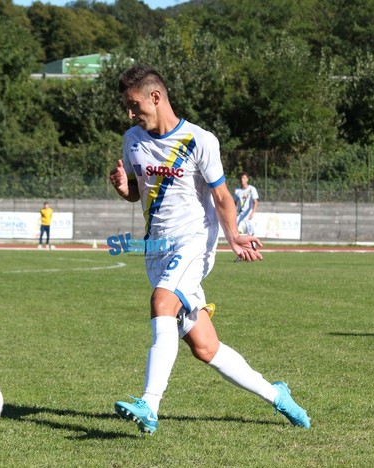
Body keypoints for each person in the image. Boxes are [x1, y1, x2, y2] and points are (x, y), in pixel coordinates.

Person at [108, 65, 310, 435]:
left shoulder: (199, 140)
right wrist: (124, 188)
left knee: (162, 302)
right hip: (157, 249)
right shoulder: (132, 140)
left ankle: (149, 404)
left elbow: (221, 195)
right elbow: (139, 190)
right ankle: (278, 395)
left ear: (156, 97)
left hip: (194, 244)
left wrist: (233, 235)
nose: (130, 113)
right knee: (205, 347)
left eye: (134, 105)